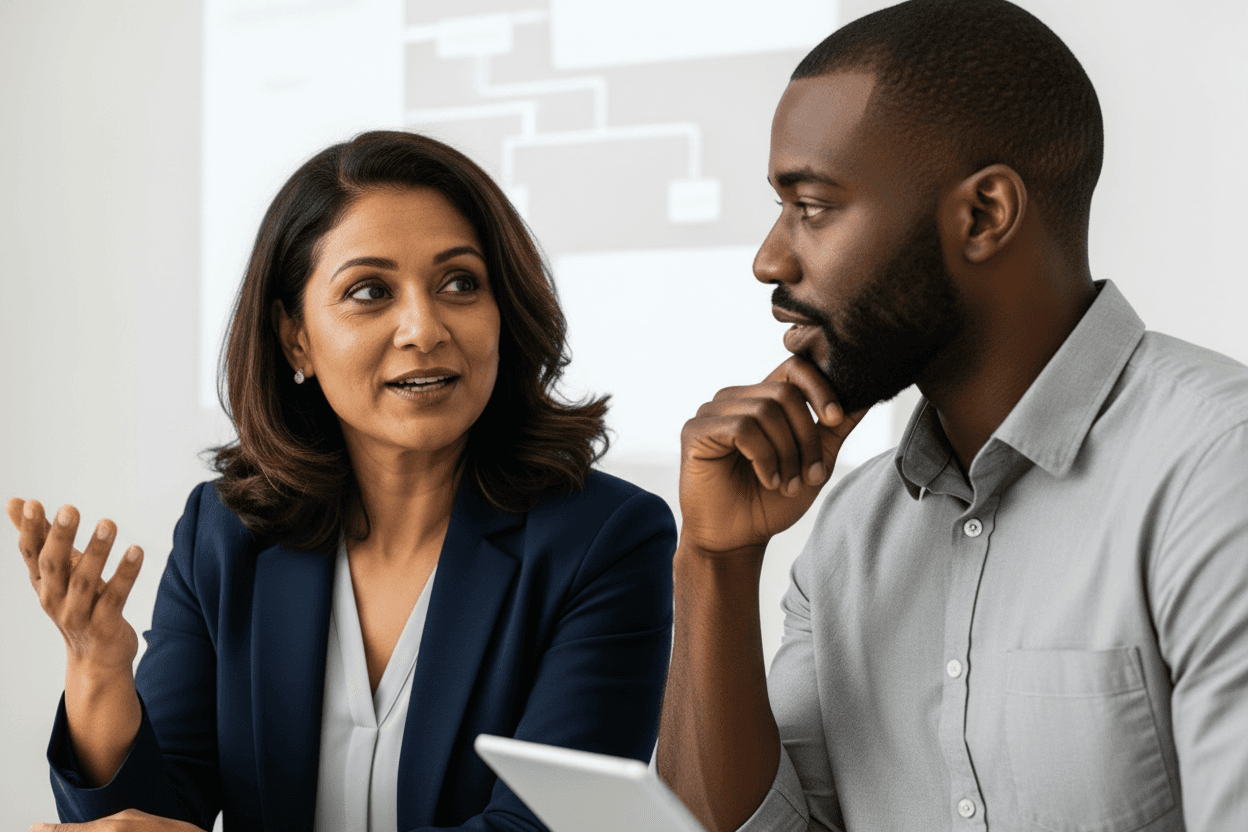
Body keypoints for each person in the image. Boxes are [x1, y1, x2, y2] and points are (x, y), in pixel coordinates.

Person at [655, 1, 1248, 830]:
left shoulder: (1220, 471)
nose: (770, 258)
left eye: (813, 206)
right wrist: (714, 558)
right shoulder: (849, 538)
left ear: (983, 216)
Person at [9, 130, 676, 831]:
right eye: (369, 292)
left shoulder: (605, 540)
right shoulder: (225, 534)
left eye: (459, 283)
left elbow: (544, 828)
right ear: (296, 337)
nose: (423, 326)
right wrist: (98, 670)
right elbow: (148, 818)